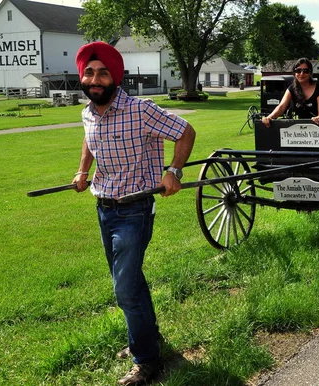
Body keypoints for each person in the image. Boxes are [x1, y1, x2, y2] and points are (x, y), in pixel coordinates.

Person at [72, 42, 196, 385]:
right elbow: (88, 139)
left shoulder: (140, 110)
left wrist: (174, 170)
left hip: (135, 209)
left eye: (103, 72)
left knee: (124, 288)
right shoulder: (88, 112)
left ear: (115, 77)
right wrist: (83, 171)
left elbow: (185, 131)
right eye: (90, 72)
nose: (95, 79)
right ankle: (147, 338)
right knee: (132, 281)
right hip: (104, 208)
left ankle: (146, 361)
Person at [261, 58, 319, 127]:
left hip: (317, 127)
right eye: (298, 71)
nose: (302, 74)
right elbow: (281, 107)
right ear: (294, 73)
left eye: (306, 71)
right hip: (299, 128)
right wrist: (269, 117)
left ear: (310, 73)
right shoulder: (292, 88)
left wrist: (318, 118)